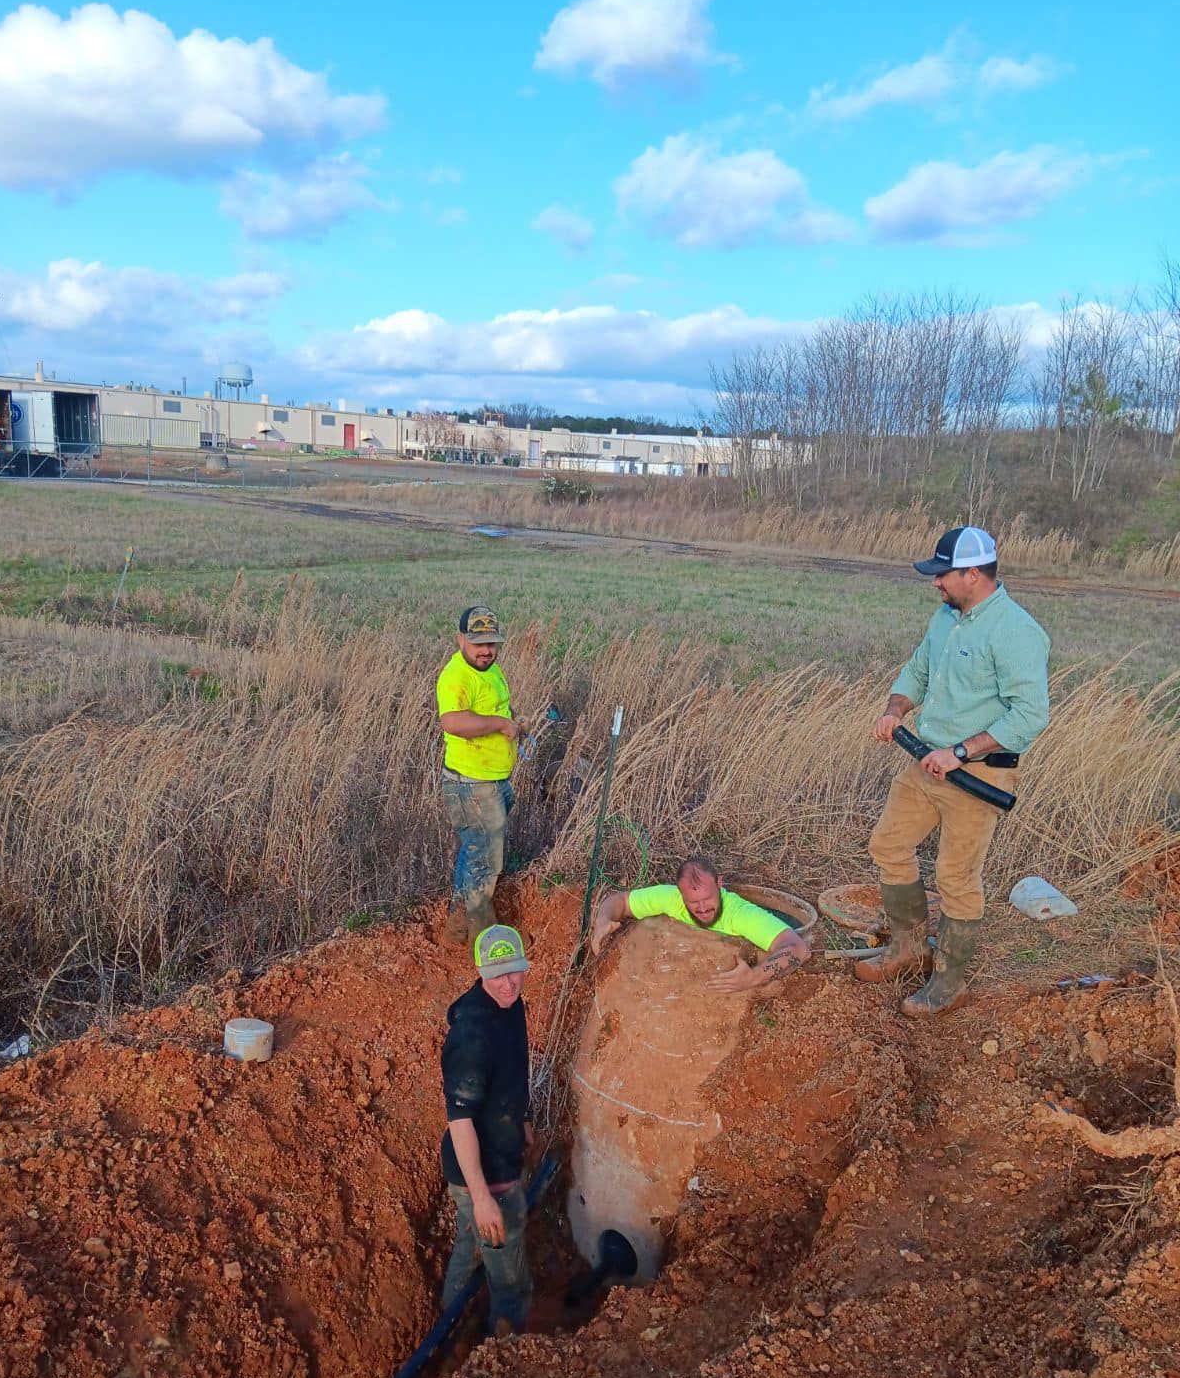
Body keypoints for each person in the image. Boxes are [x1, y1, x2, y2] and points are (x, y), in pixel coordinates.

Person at [858, 525, 1050, 1017]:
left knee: (956, 877)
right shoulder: (946, 618)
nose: (934, 584)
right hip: (926, 761)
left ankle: (949, 981)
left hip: (977, 776)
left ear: (973, 574)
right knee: (888, 845)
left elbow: (1028, 716)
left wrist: (961, 753)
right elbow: (918, 669)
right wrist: (894, 709)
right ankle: (907, 948)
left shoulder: (1015, 631)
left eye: (942, 575)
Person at [440, 924, 535, 1335]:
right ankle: (503, 1353)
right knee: (511, 1278)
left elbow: (513, 1073)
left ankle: (449, 1326)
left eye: (515, 971)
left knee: (470, 1245)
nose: (508, 983)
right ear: (478, 969)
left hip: (497, 1155)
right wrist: (482, 1198)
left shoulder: (512, 1007)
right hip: (486, 1174)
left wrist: (524, 1121)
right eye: (497, 974)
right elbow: (460, 1121)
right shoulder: (471, 1034)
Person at [589, 855, 811, 993]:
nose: (703, 908)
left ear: (719, 884)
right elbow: (620, 901)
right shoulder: (671, 898)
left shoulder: (741, 914)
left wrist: (753, 977)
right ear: (680, 893)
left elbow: (798, 948)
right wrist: (603, 920)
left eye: (708, 899)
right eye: (694, 902)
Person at [437, 606, 526, 944]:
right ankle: (486, 941)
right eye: (478, 643)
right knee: (486, 864)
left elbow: (496, 708)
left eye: (491, 643)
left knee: (474, 852)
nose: (486, 650)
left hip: (490, 779)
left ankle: (457, 929)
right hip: (473, 785)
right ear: (461, 639)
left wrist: (514, 722)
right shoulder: (457, 675)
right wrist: (502, 725)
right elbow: (453, 722)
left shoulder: (489, 669)